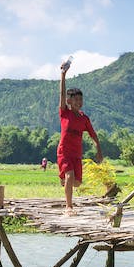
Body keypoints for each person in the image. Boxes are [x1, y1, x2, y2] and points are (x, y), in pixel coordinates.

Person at [57, 59, 102, 214]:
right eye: (76, 100)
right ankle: (69, 207)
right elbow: (62, 94)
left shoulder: (84, 119)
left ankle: (64, 179)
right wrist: (63, 75)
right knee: (70, 176)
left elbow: (93, 135)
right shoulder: (65, 113)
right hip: (64, 153)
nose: (79, 102)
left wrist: (99, 151)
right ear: (69, 101)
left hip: (76, 154)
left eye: (81, 100)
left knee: (76, 183)